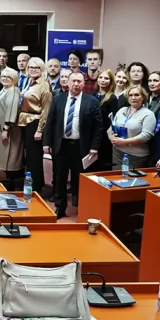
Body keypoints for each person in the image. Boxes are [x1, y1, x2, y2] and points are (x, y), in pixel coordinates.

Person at [44, 72, 102, 218]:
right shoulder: (58, 99)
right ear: (68, 83)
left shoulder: (92, 101)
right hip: (61, 145)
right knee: (60, 177)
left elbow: (98, 127)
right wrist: (46, 143)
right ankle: (60, 207)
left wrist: (94, 147)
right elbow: (50, 122)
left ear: (83, 84)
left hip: (81, 147)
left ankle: (82, 207)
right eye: (73, 81)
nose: (76, 84)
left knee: (80, 179)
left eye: (79, 81)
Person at [18, 57, 52, 194]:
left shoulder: (44, 85)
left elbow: (46, 111)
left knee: (34, 159)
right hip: (25, 121)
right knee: (29, 158)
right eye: (31, 67)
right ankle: (32, 183)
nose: (33, 70)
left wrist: (40, 130)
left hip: (35, 123)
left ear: (42, 69)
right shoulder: (29, 82)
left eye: (36, 67)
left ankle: (35, 189)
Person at [0, 67, 23, 190]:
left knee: (9, 158)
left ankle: (11, 186)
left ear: (14, 79)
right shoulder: (4, 89)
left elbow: (12, 109)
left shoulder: (13, 91)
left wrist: (6, 128)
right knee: (0, 158)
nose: (5, 79)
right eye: (3, 76)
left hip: (7, 130)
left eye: (9, 77)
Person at [108, 85, 156, 169]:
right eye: (130, 95)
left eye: (136, 95)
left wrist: (124, 142)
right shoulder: (122, 110)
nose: (133, 98)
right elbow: (111, 128)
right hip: (117, 152)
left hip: (135, 155)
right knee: (116, 176)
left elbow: (146, 136)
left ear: (143, 97)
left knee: (129, 177)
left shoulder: (148, 114)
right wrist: (111, 137)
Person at [93, 69, 119, 171]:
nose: (103, 80)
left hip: (104, 137)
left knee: (102, 165)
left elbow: (113, 120)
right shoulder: (93, 95)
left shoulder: (112, 98)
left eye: (106, 78)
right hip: (92, 134)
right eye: (101, 77)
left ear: (111, 81)